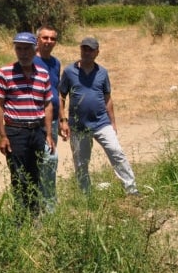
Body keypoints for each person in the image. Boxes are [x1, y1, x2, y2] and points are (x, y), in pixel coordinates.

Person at [59, 36, 139, 196]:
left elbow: (108, 98)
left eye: (90, 50)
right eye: (84, 49)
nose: (86, 52)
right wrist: (63, 121)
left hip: (101, 123)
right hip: (78, 126)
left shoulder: (102, 72)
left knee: (116, 152)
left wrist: (113, 123)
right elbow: (61, 96)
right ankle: (85, 195)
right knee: (81, 163)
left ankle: (131, 190)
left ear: (97, 52)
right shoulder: (69, 71)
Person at [0, 31, 54, 215]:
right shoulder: (5, 73)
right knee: (19, 176)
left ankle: (34, 213)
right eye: (19, 48)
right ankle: (20, 217)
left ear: (35, 49)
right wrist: (2, 135)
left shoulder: (43, 74)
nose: (23, 53)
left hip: (37, 131)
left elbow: (48, 105)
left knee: (36, 173)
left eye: (27, 48)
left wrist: (49, 134)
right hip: (16, 132)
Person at [34, 25, 62, 210]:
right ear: (38, 39)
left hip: (53, 119)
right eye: (45, 38)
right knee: (47, 160)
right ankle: (46, 205)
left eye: (52, 38)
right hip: (37, 120)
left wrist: (63, 119)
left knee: (47, 163)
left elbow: (57, 91)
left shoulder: (55, 63)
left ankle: (46, 202)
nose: (49, 41)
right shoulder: (31, 61)